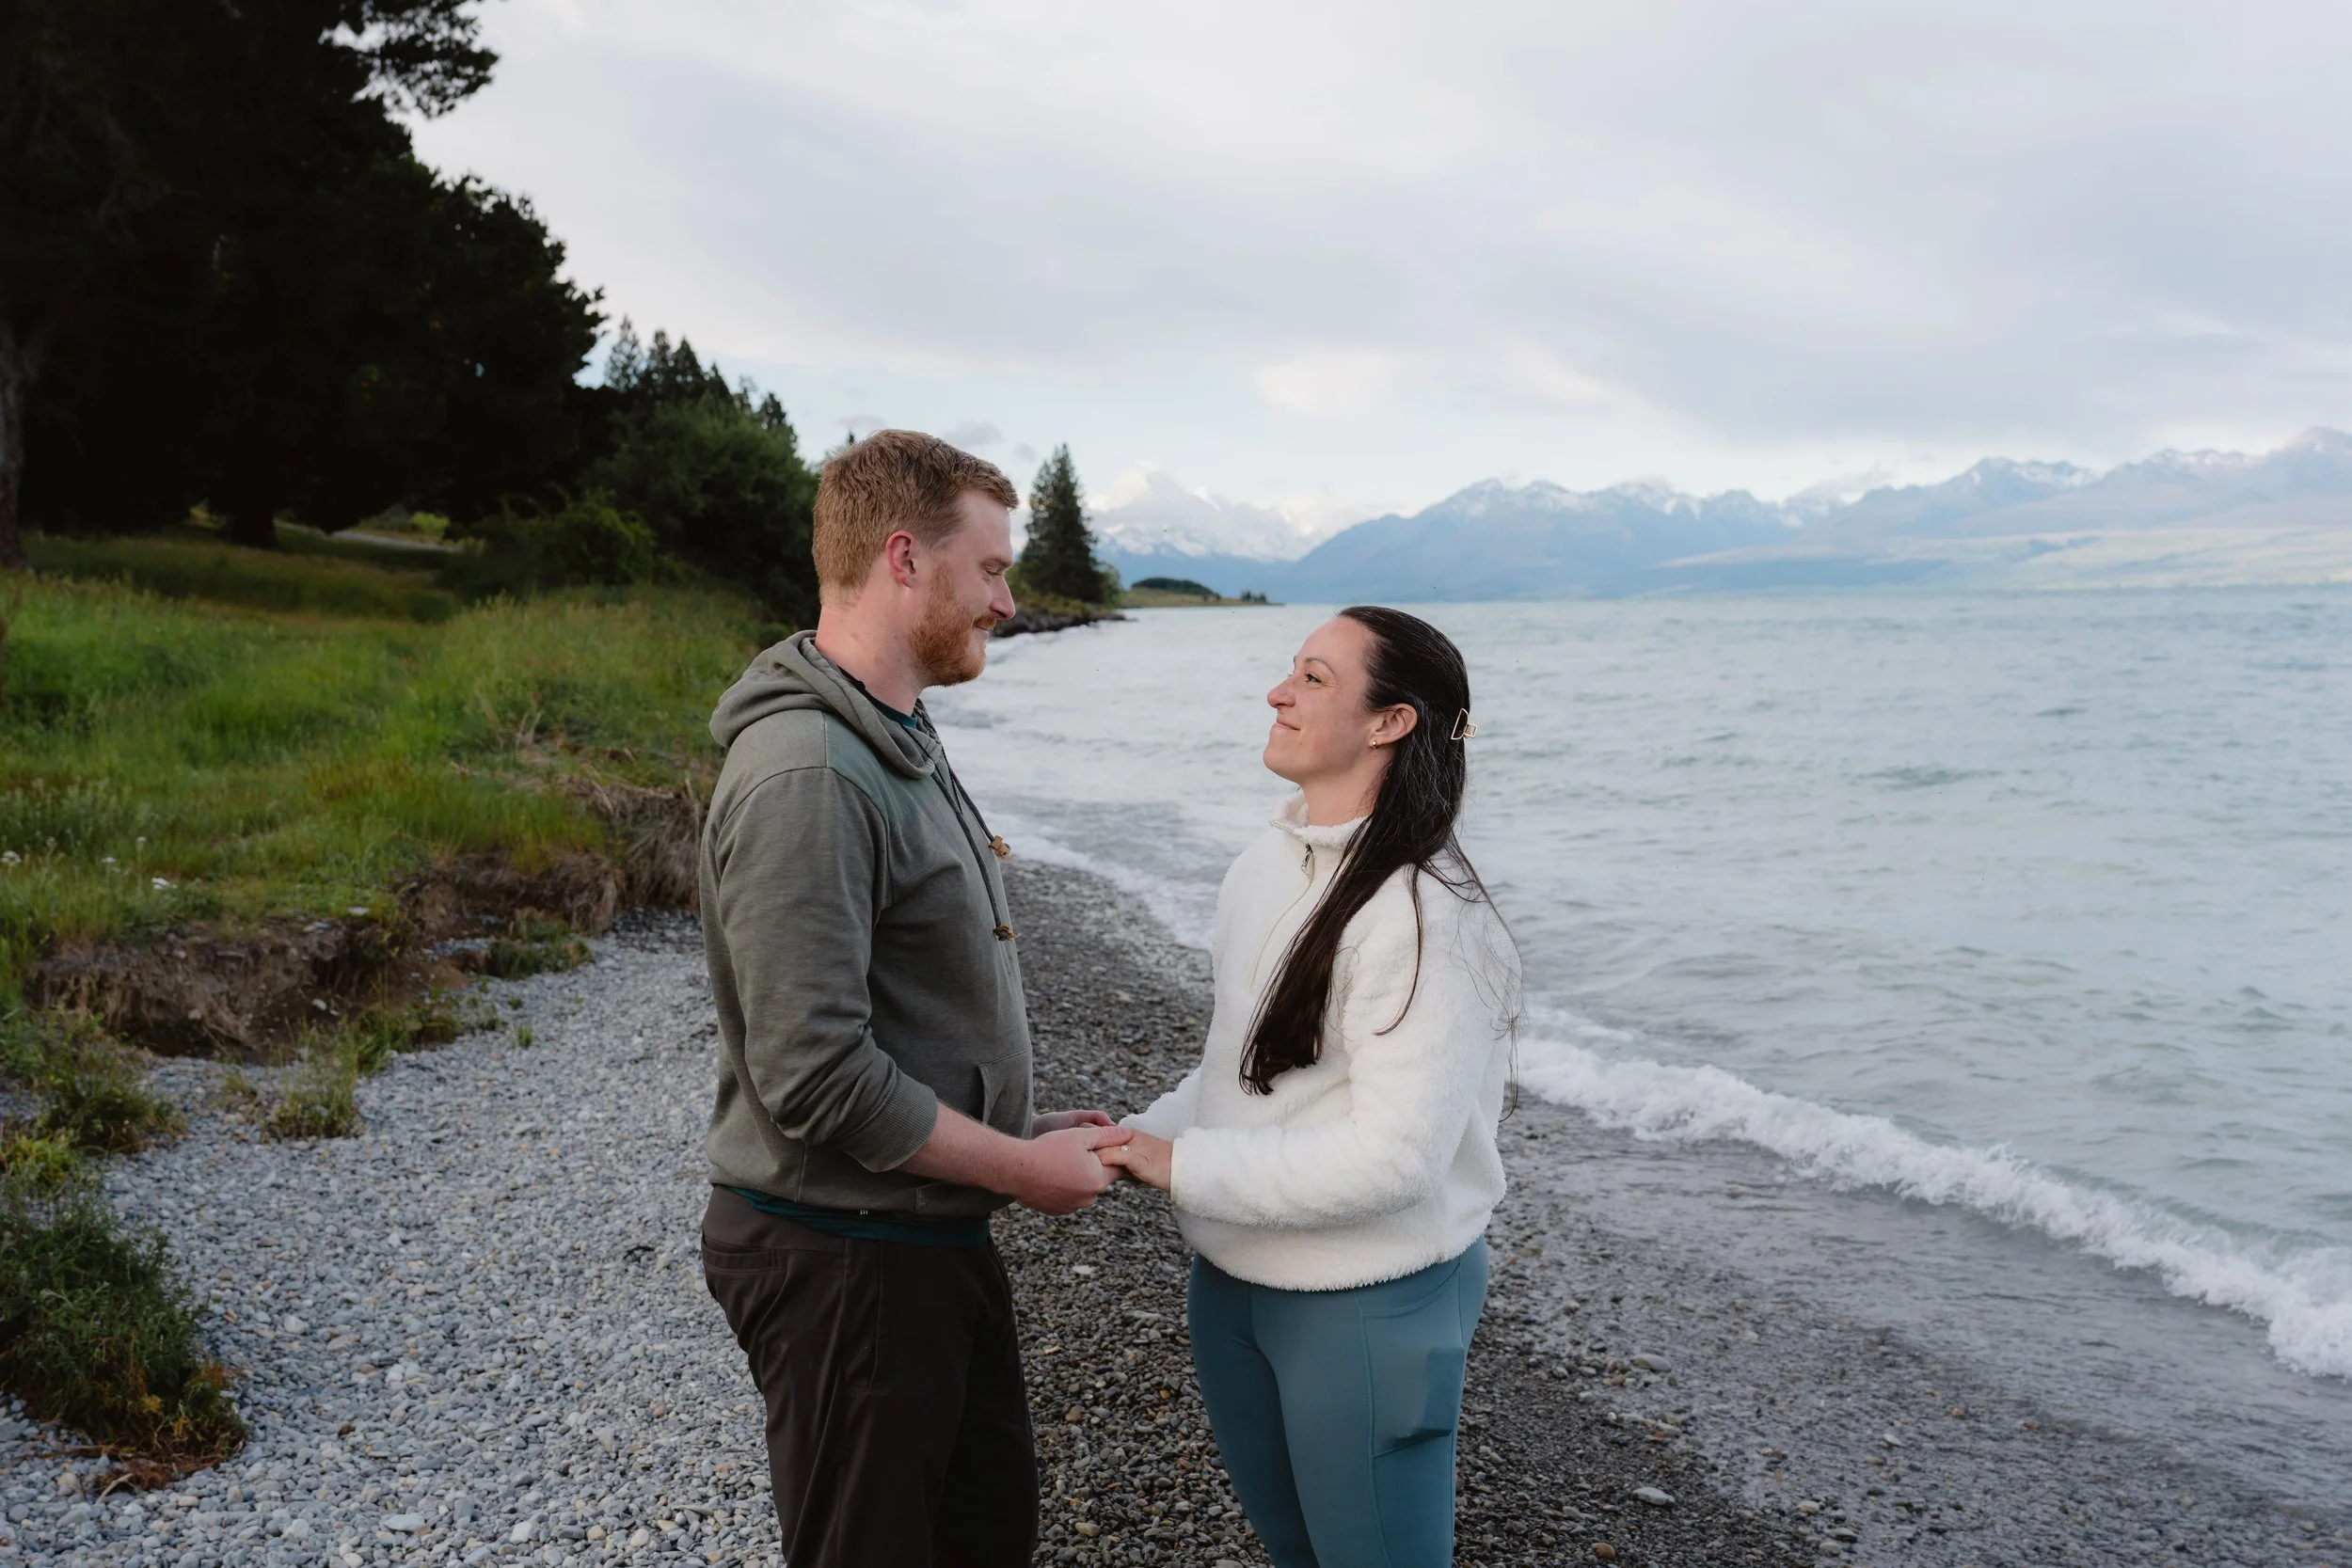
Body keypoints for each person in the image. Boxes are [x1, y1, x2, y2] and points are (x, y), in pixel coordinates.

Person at [695, 429, 1132, 1568]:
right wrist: (1023, 1169)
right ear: (904, 557)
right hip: (844, 1260)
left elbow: (891, 1014)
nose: (1007, 598)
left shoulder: (893, 730)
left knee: (979, 1537)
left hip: (914, 1238)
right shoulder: (810, 772)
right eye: (988, 569)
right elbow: (815, 1071)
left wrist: (1013, 1128)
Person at [1102, 606, 1520, 1568]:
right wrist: (1128, 1138)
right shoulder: (1263, 864)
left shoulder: (1428, 916)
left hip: (1365, 1304)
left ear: (1391, 721)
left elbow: (1396, 1157)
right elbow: (1242, 1073)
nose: (1277, 692)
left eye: (1315, 677)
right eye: (1289, 669)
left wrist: (1182, 1163)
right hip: (1233, 1285)